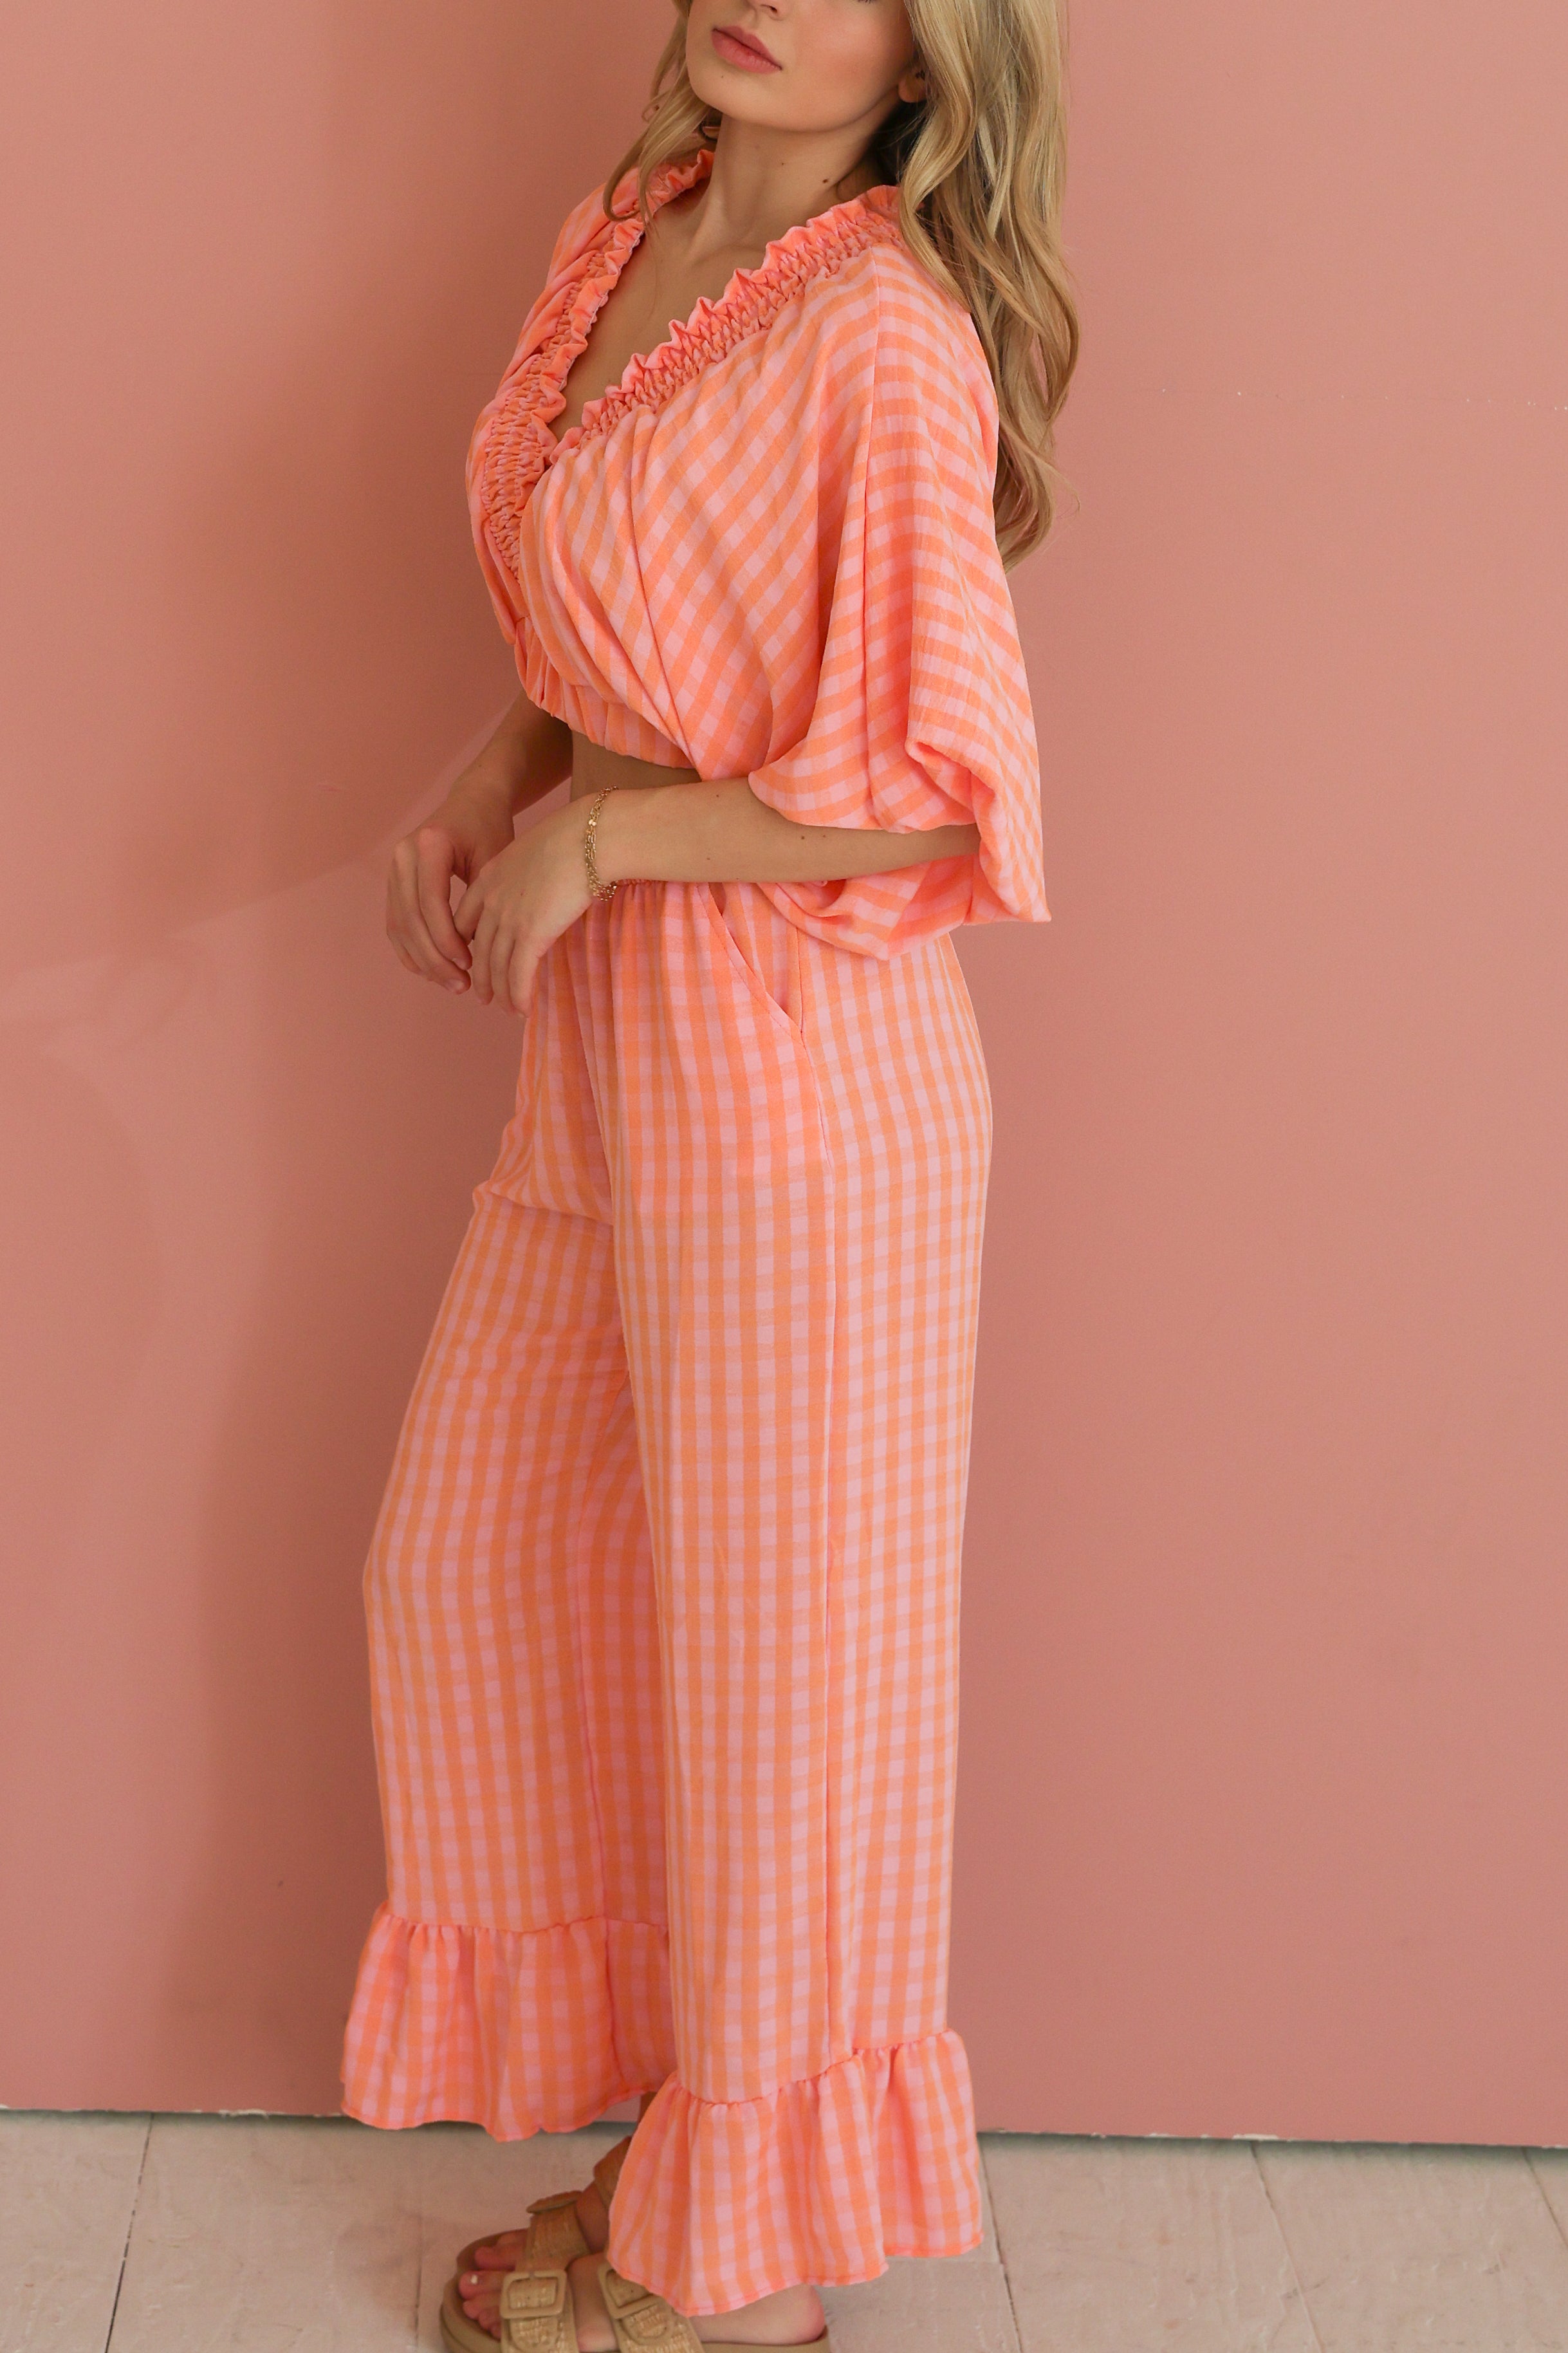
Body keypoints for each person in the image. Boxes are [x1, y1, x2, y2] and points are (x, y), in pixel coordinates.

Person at [341, 3, 1077, 2348]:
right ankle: (686, 2142)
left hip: (802, 1063)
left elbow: (947, 786)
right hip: (616, 1054)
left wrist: (615, 840)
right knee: (477, 1568)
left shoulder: (886, 334)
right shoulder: (633, 229)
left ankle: (740, 2281)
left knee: (788, 1690)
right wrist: (497, 784)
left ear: (932, 53)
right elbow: (611, 606)